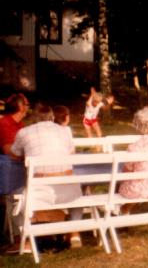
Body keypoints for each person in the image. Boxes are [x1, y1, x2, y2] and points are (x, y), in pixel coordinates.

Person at [9, 104, 83, 252]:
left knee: (12, 197)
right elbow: (71, 151)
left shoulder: (24, 132)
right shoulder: (65, 130)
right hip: (69, 193)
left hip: (40, 193)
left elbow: (14, 154)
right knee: (78, 189)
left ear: (34, 118)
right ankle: (74, 233)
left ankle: (24, 240)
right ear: (52, 117)